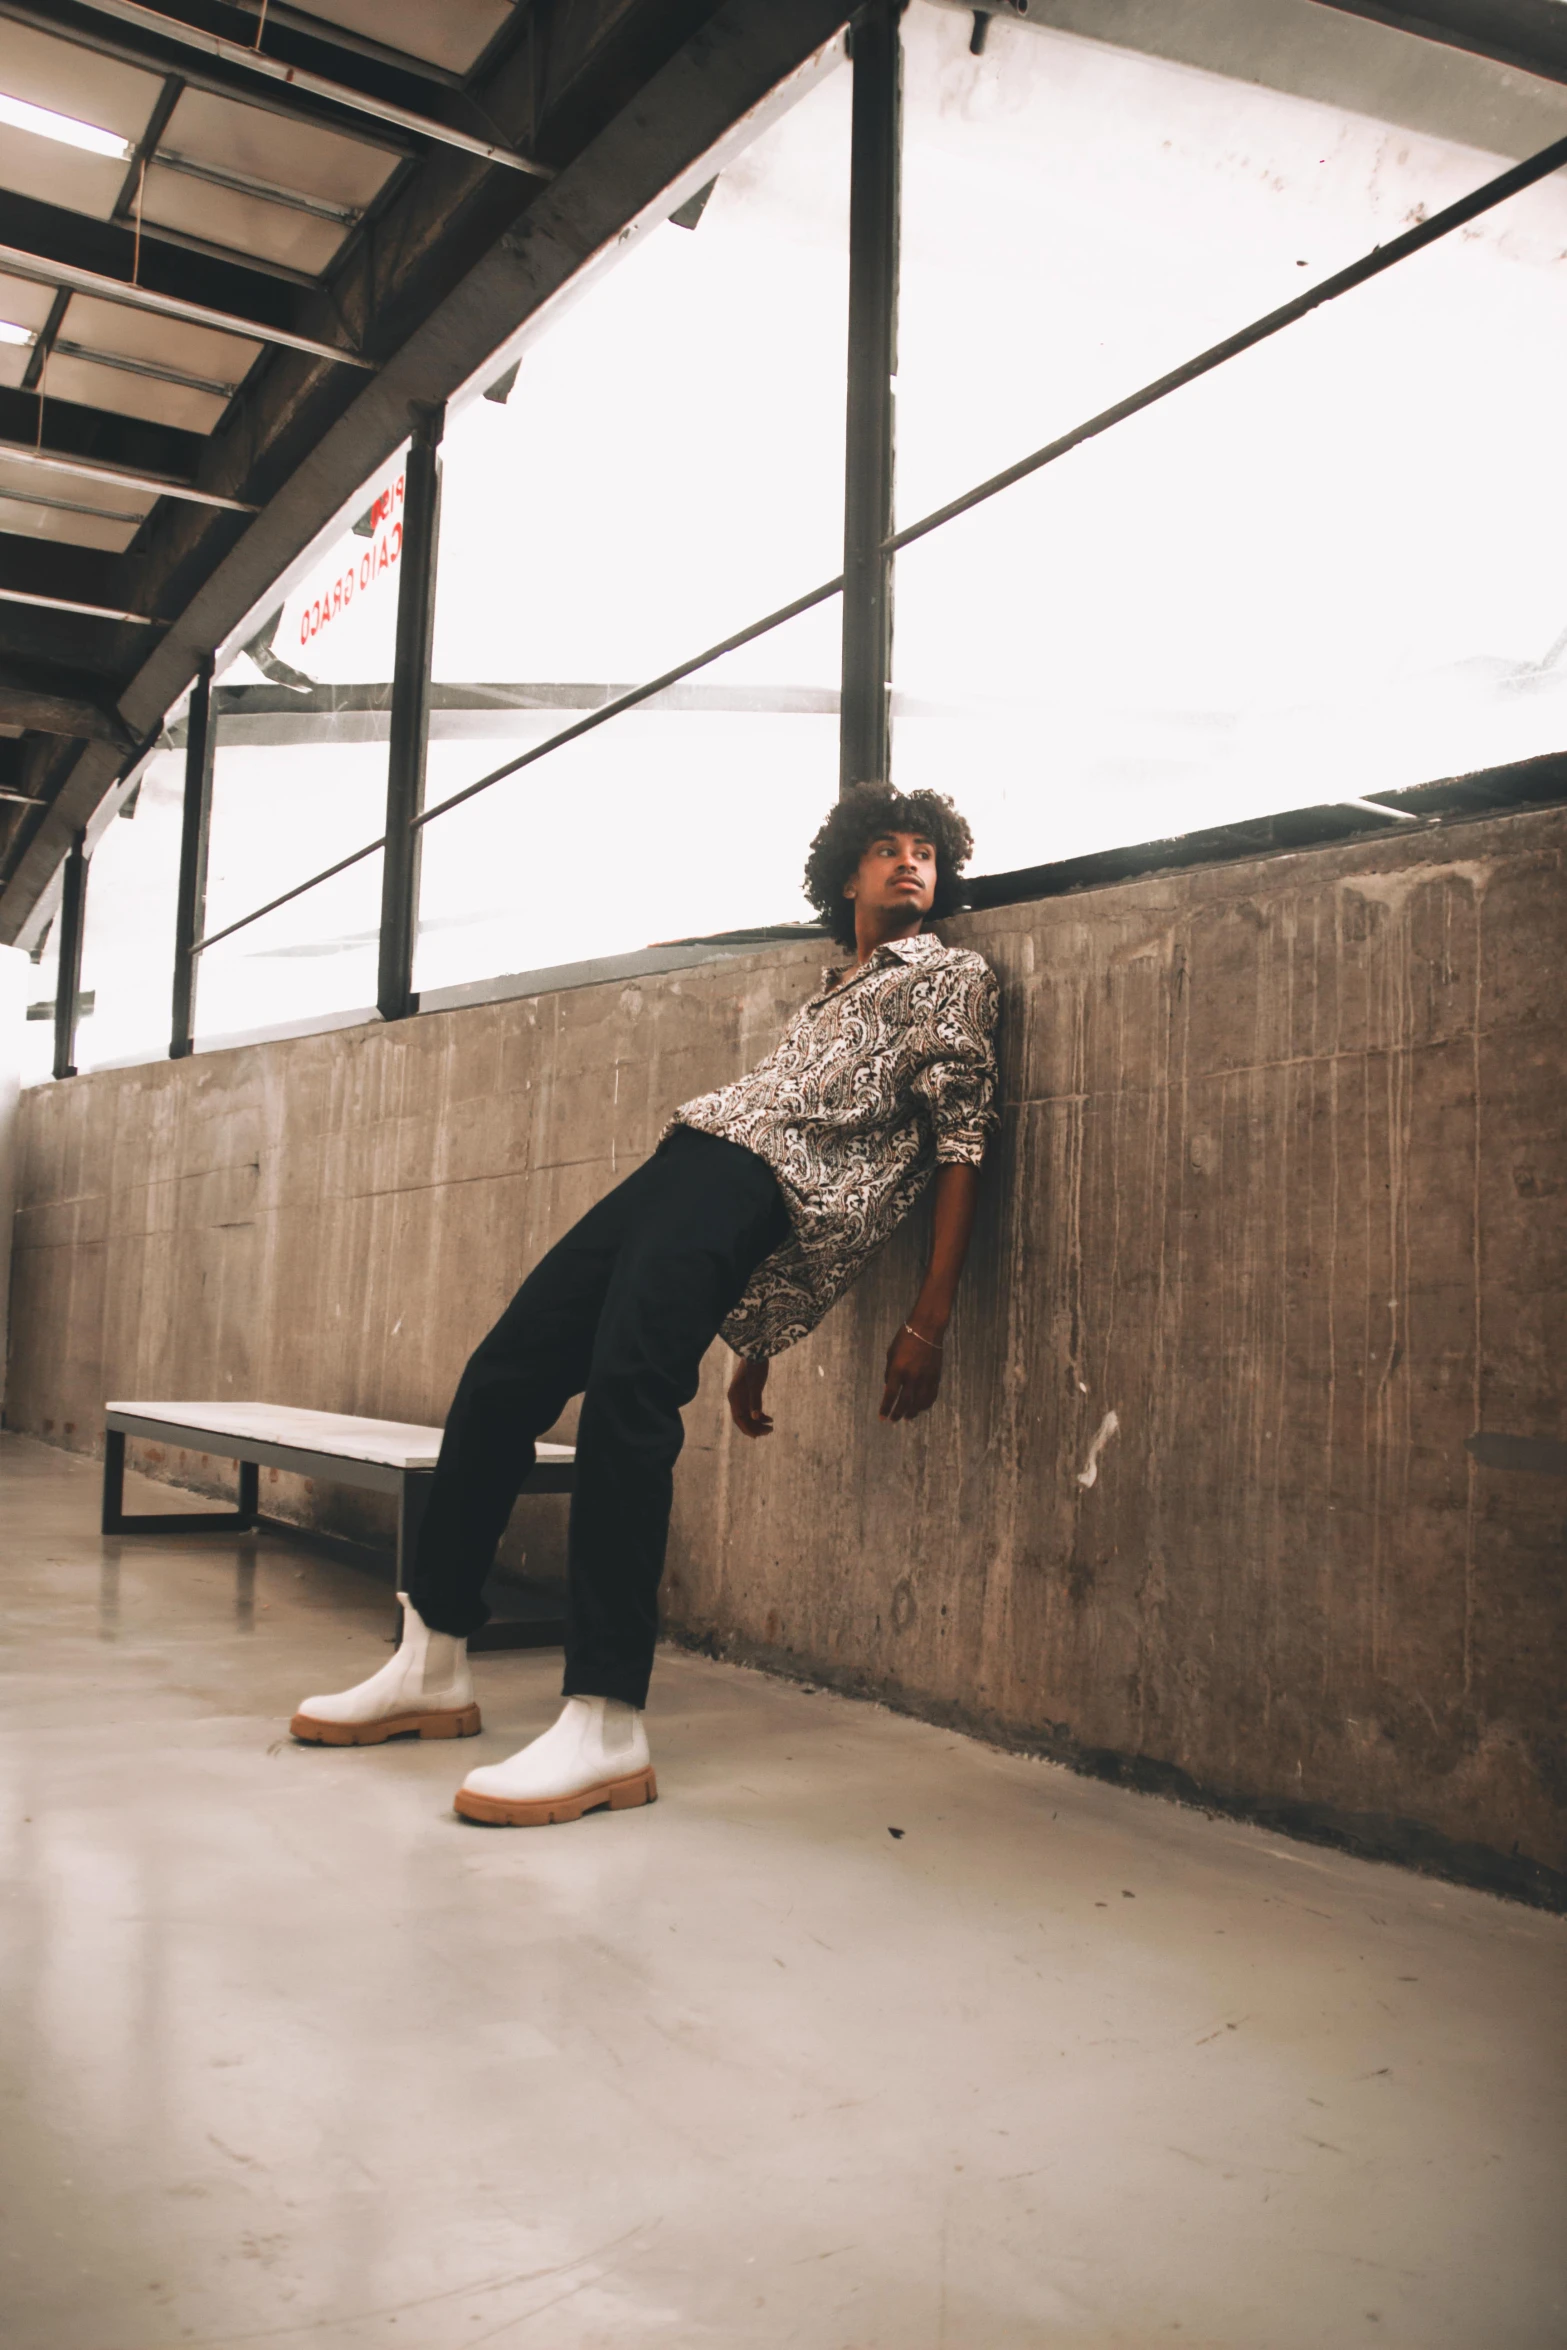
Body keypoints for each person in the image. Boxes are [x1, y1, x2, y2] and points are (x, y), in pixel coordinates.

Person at [290, 783, 1001, 1826]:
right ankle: (432, 1656)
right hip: (688, 1159)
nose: (910, 863)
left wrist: (928, 1314)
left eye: (927, 852)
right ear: (845, 876)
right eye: (887, 849)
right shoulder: (826, 992)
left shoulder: (953, 978)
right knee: (501, 1377)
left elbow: (952, 1144)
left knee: (629, 1397)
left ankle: (607, 1721)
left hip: (745, 1182)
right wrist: (758, 1331)